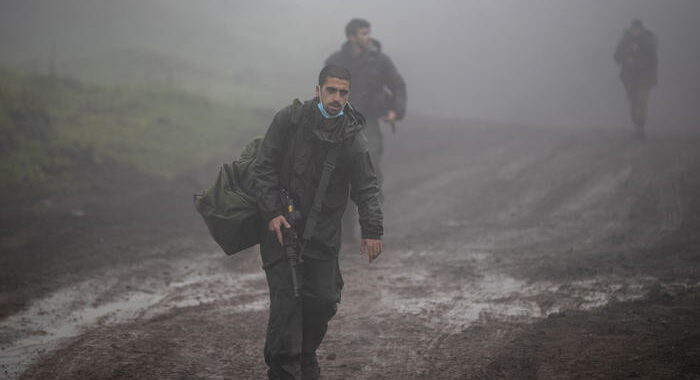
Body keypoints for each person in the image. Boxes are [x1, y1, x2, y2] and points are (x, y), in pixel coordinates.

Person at [252, 65, 384, 380]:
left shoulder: (353, 137)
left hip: (323, 237)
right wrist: (273, 212)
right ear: (318, 90)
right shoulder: (290, 120)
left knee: (323, 301)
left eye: (343, 92)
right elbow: (264, 167)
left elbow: (366, 188)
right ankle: (285, 368)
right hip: (282, 232)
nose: (337, 98)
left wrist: (372, 230)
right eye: (331, 91)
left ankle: (304, 356)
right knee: (287, 307)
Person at [325, 18, 406, 238]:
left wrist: (395, 111)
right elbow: (323, 91)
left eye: (369, 32)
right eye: (363, 33)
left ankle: (370, 224)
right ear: (351, 37)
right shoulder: (336, 61)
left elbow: (398, 85)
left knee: (369, 170)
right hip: (339, 124)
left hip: (368, 122)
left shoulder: (380, 61)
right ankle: (346, 227)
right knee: (339, 175)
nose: (368, 37)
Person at [614, 19, 658, 139]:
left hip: (644, 78)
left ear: (642, 30)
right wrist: (626, 58)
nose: (636, 31)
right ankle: (637, 125)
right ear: (631, 30)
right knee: (634, 103)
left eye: (638, 29)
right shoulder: (625, 41)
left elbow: (653, 61)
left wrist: (640, 63)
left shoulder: (648, 42)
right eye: (634, 29)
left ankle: (640, 127)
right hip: (630, 79)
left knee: (642, 101)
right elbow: (616, 57)